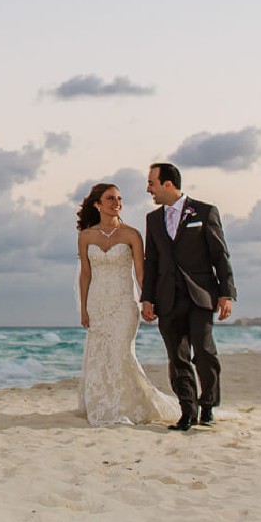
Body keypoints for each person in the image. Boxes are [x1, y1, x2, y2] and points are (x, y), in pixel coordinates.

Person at [140, 162, 236, 431]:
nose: (149, 189)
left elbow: (220, 255)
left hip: (201, 294)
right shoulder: (153, 220)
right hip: (167, 297)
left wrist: (226, 294)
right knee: (177, 357)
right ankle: (187, 410)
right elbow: (153, 262)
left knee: (204, 352)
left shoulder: (204, 212)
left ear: (168, 184)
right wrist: (147, 299)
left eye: (152, 183)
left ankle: (208, 405)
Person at [76, 182, 178, 425]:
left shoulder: (132, 234)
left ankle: (127, 406)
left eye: (119, 199)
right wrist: (83, 308)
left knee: (122, 353)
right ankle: (104, 404)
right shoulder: (86, 236)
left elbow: (141, 273)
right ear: (97, 204)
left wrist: (147, 300)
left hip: (124, 302)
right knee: (100, 355)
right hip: (98, 303)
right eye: (110, 198)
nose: (117, 203)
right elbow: (86, 274)